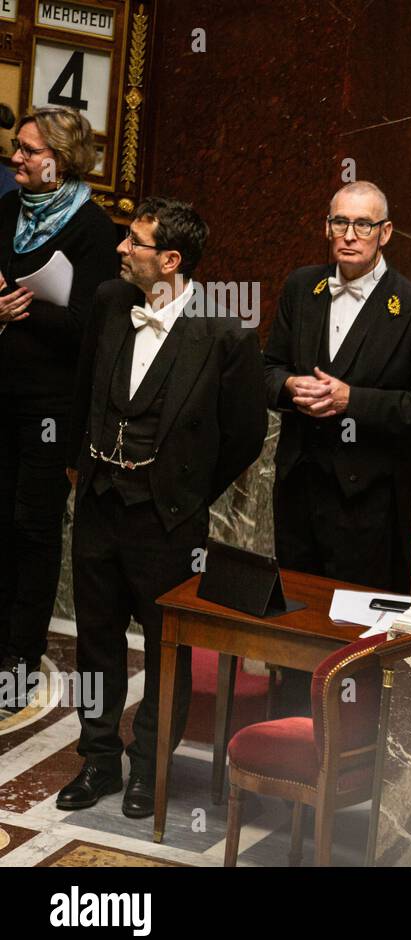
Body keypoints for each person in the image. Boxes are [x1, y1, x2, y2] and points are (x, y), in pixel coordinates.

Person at [57, 197, 266, 818]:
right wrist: (81, 468)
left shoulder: (225, 331)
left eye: (135, 242)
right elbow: (82, 389)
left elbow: (246, 434)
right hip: (98, 503)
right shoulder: (109, 303)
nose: (121, 249)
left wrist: (186, 489)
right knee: (95, 642)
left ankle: (149, 767)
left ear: (170, 260)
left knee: (165, 644)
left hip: (168, 521)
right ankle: (98, 759)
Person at [0, 107, 117, 716]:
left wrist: (23, 309)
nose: (15, 158)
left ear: (60, 161)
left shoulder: (95, 232)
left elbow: (88, 327)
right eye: (16, 148)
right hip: (0, 395)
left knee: (32, 529)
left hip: (49, 410)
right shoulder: (4, 212)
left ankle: (19, 659)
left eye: (27, 150)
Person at [263, 181, 411, 594]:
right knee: (294, 614)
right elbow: (267, 369)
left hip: (369, 501)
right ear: (327, 228)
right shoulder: (301, 287)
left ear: (385, 232)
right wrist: (289, 387)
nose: (350, 235)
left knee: (352, 629)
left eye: (363, 225)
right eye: (340, 223)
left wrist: (351, 401)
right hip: (298, 488)